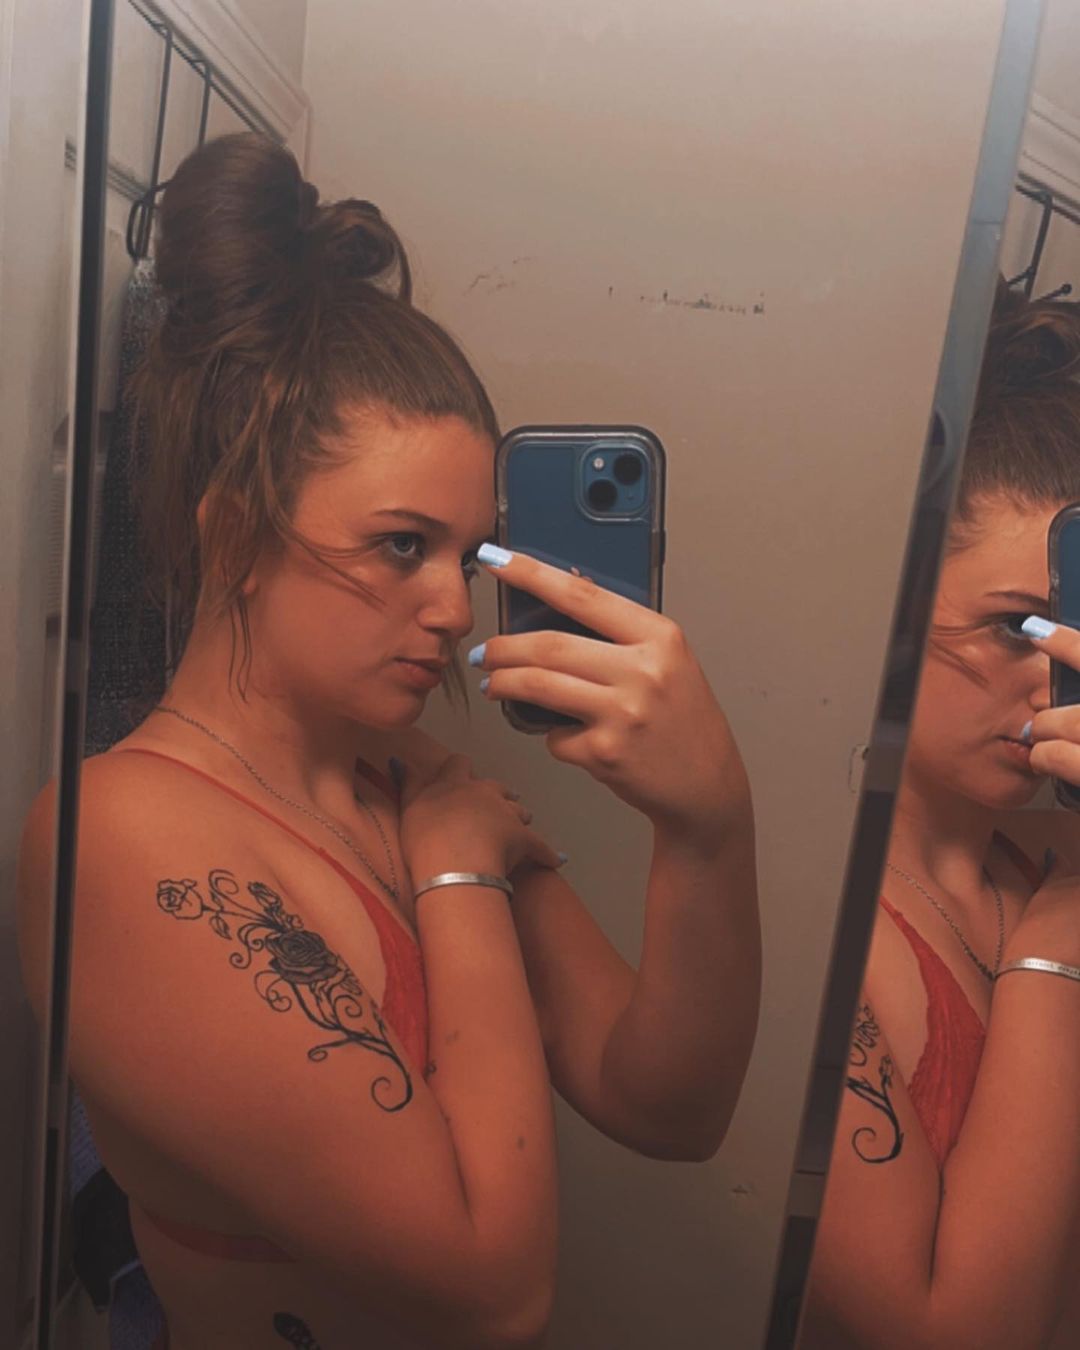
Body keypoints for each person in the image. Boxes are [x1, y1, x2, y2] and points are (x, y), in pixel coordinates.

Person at [17, 134, 760, 1350]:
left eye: (468, 557)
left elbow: (667, 1105)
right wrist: (460, 873)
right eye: (401, 546)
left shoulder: (408, 778)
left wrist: (708, 828)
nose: (456, 610)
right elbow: (495, 1287)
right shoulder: (122, 836)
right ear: (238, 537)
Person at [801, 281, 1080, 1350]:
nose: (1052, 680)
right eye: (1015, 627)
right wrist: (1061, 941)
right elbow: (954, 1332)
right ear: (891, 601)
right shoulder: (821, 923)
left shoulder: (1053, 853)